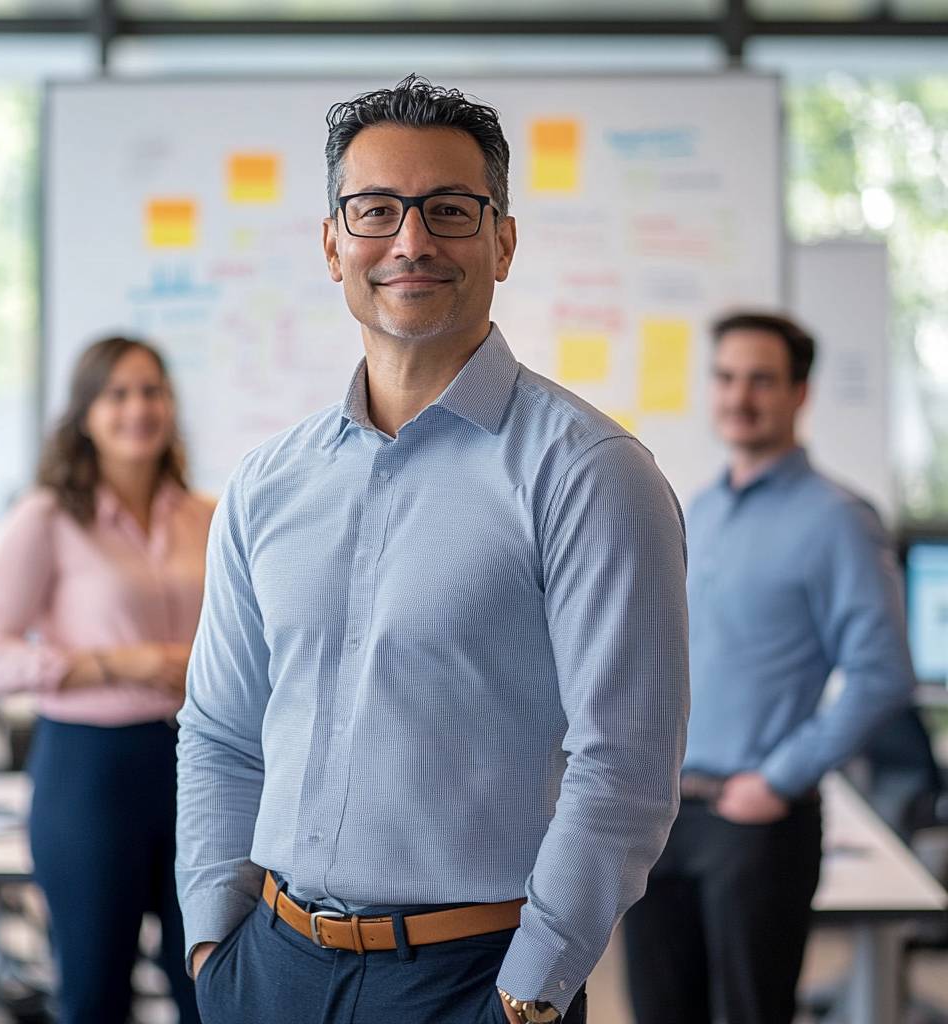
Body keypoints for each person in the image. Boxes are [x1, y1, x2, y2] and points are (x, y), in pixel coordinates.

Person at [176, 75, 689, 1024]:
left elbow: (624, 764)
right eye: (376, 211)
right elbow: (219, 730)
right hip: (269, 971)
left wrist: (527, 996)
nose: (411, 241)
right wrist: (214, 943)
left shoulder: (590, 473)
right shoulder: (265, 483)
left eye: (449, 210)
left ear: (503, 239)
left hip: (470, 983)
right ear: (334, 245)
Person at [624, 311, 915, 1024]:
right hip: (666, 817)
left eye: (761, 380)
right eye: (726, 378)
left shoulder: (838, 518)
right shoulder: (703, 506)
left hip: (754, 823)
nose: (739, 397)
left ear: (800, 393)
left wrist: (780, 779)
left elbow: (882, 673)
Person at [0, 336, 211, 1024]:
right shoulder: (46, 518)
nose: (139, 409)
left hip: (199, 767)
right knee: (95, 991)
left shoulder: (207, 516)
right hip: (91, 773)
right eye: (118, 394)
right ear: (86, 415)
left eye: (152, 391)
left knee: (207, 985)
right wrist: (111, 663)